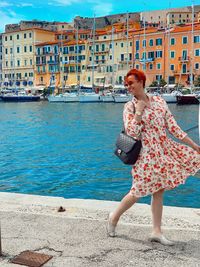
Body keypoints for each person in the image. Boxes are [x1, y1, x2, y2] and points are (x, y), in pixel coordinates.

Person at [107, 69, 200, 245]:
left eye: (131, 83)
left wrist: (193, 145)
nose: (128, 87)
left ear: (141, 81)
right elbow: (132, 133)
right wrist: (139, 113)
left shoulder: (159, 102)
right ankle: (114, 217)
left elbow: (173, 128)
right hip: (145, 155)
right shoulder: (130, 107)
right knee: (137, 191)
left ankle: (156, 231)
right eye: (126, 84)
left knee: (159, 189)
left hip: (163, 151)